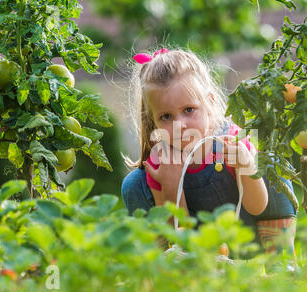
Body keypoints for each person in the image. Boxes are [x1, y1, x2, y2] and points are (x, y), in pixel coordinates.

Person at [121, 47, 297, 271]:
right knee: (134, 183)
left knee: (269, 162)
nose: (179, 125)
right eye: (166, 116)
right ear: (153, 121)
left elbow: (258, 206)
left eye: (189, 110)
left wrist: (246, 166)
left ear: (210, 104)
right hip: (194, 248)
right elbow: (177, 231)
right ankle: (163, 273)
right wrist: (171, 185)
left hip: (245, 234)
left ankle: (281, 264)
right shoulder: (161, 161)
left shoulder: (230, 141)